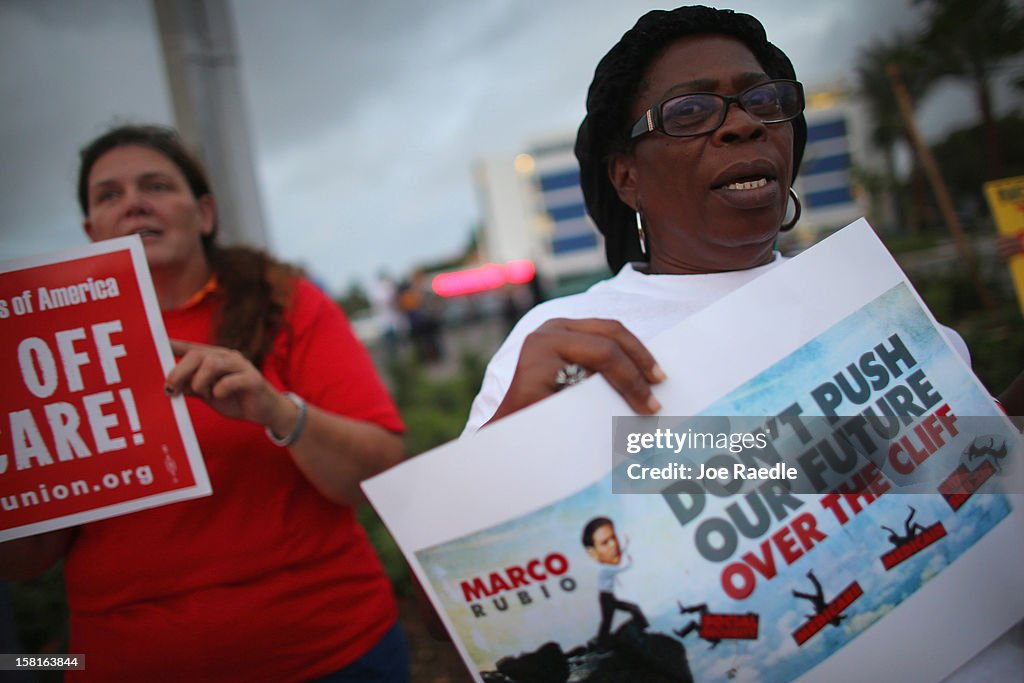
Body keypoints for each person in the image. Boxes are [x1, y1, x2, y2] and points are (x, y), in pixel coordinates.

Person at [459, 4, 1022, 677]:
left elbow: (980, 475)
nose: (746, 122)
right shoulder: (560, 345)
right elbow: (471, 618)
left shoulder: (872, 302)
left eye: (763, 100)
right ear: (626, 175)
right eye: (691, 112)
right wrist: (507, 440)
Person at [0, 125, 408, 682]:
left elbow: (380, 475)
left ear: (205, 214)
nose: (134, 204)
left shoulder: (284, 301)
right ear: (90, 231)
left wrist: (275, 410)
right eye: (109, 195)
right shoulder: (45, 346)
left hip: (332, 654)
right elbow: (25, 562)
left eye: (156, 185)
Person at [581, 516, 648, 650]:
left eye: (614, 538)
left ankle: (641, 628)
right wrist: (629, 560)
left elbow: (619, 554)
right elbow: (620, 566)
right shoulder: (605, 569)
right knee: (608, 620)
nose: (613, 545)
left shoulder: (609, 561)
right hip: (606, 598)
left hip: (610, 596)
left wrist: (627, 545)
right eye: (605, 542)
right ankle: (601, 645)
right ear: (592, 553)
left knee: (631, 609)